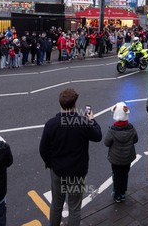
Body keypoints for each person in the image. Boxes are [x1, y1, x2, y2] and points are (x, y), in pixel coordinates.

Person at [39, 88, 102, 225]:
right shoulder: (82, 122)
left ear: (60, 104)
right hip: (77, 173)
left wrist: (51, 164)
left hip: (58, 172)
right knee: (74, 207)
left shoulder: (51, 124)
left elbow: (43, 149)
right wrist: (92, 120)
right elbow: (98, 136)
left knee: (56, 205)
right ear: (75, 104)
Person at [104, 101, 138, 203]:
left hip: (115, 158)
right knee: (125, 174)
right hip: (127, 158)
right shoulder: (131, 128)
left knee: (117, 175)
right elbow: (135, 140)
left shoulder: (112, 130)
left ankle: (117, 195)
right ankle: (123, 193)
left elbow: (106, 143)